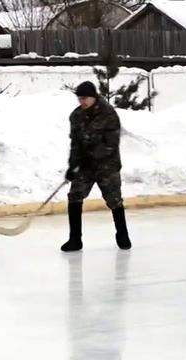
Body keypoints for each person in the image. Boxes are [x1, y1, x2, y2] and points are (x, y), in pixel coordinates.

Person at [62, 81, 132, 252]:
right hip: (85, 167)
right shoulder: (76, 116)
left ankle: (122, 234)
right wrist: (72, 166)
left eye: (85, 98)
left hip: (107, 166)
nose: (82, 101)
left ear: (93, 97)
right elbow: (75, 144)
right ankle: (75, 239)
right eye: (79, 98)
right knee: (74, 196)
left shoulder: (108, 114)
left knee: (114, 200)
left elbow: (111, 143)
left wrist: (92, 156)